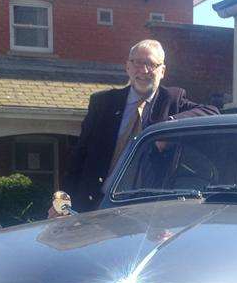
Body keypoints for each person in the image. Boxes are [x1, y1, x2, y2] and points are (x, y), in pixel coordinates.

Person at [57, 39, 219, 213]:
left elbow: (211, 111)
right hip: (97, 204)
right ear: (127, 66)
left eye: (151, 64)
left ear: (162, 71)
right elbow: (79, 156)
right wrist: (62, 201)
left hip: (149, 209)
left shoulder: (172, 100)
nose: (143, 70)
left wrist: (169, 126)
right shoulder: (104, 103)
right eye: (137, 63)